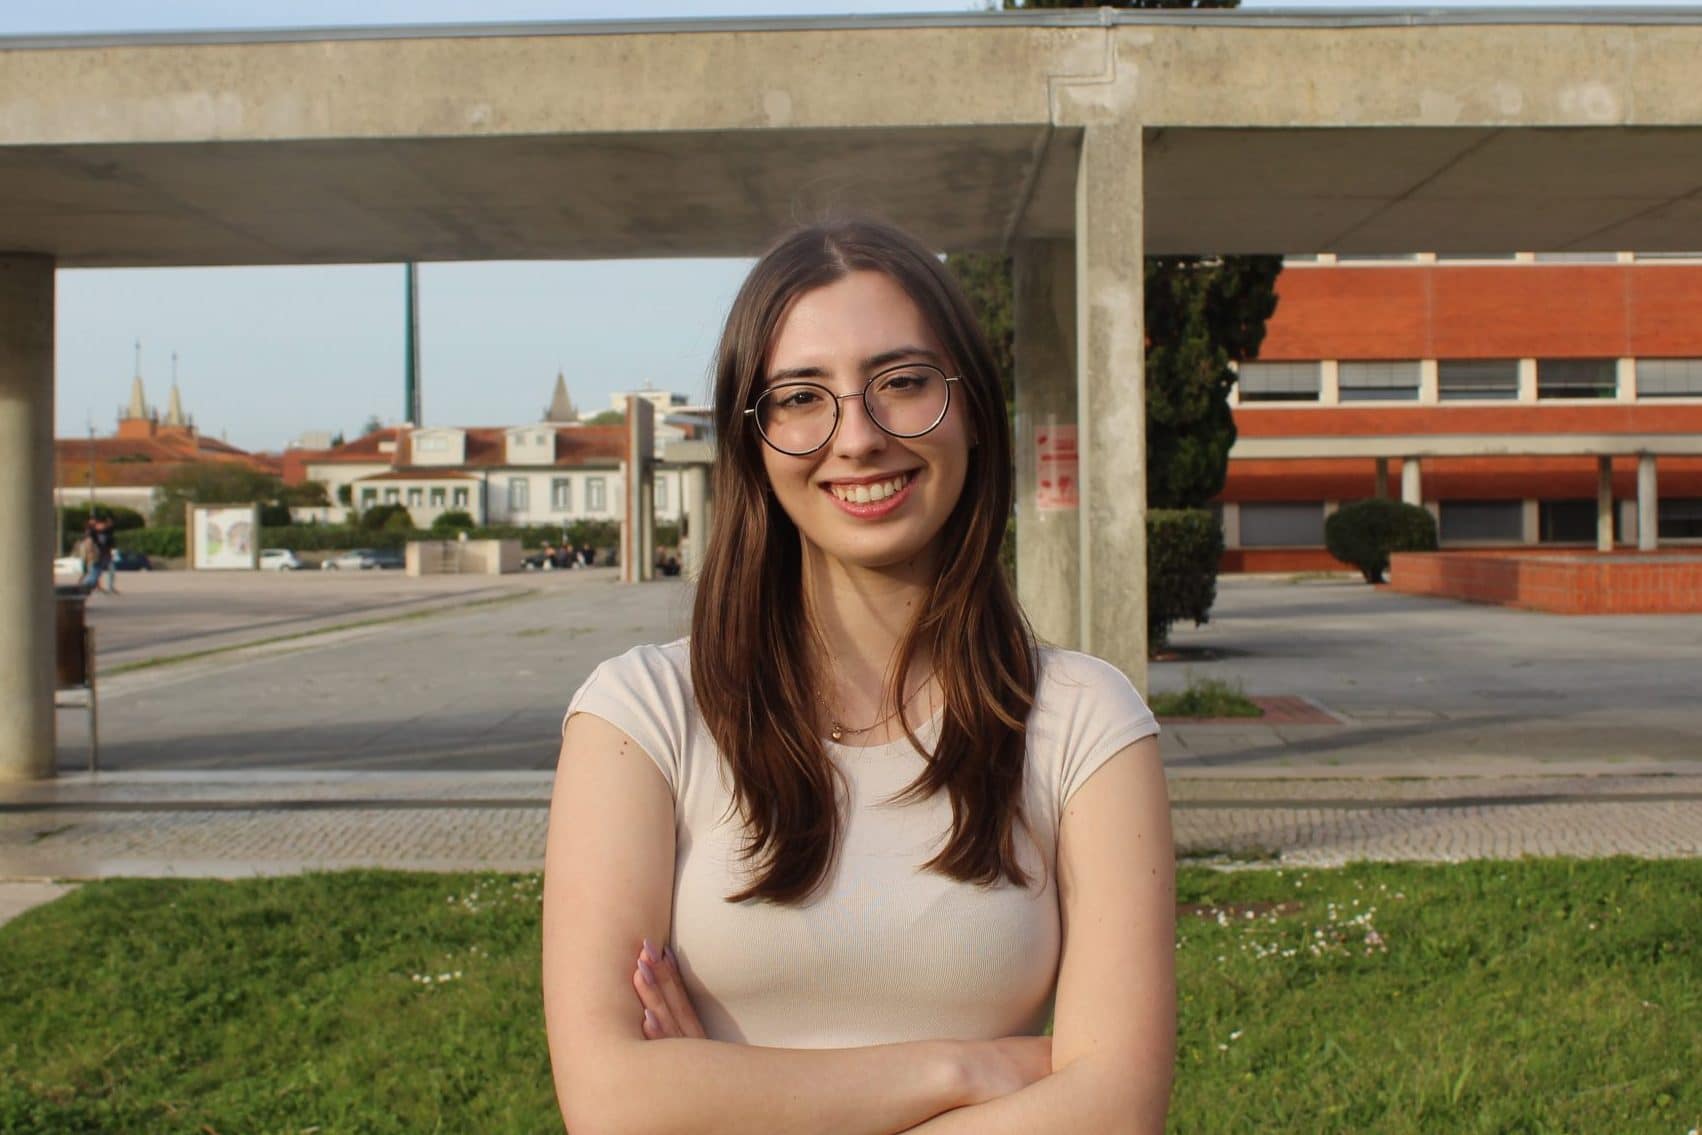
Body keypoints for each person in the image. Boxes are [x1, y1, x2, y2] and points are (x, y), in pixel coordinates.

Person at [543, 219, 1175, 1134]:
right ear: (753, 440)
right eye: (802, 396)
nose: (859, 437)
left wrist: (721, 1098)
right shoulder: (639, 717)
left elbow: (1112, 1113)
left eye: (904, 381)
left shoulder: (1086, 721)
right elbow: (611, 1105)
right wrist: (963, 1067)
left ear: (970, 408)